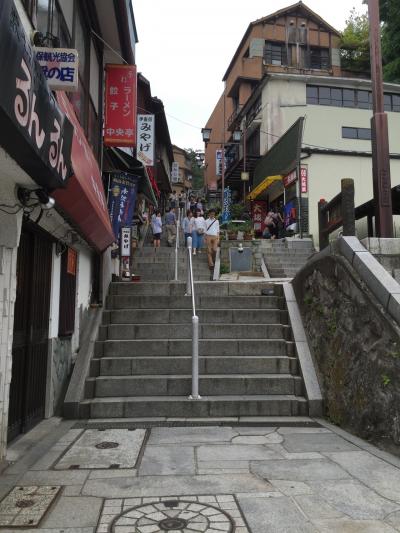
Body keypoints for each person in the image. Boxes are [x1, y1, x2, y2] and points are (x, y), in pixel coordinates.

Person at [205, 209, 220, 276]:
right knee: (209, 250)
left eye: (213, 214)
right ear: (209, 214)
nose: (212, 215)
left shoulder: (217, 221)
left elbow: (218, 230)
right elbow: (205, 229)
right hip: (208, 235)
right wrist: (204, 237)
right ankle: (211, 264)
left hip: (215, 236)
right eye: (211, 214)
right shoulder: (206, 221)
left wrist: (218, 237)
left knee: (214, 249)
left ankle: (213, 259)